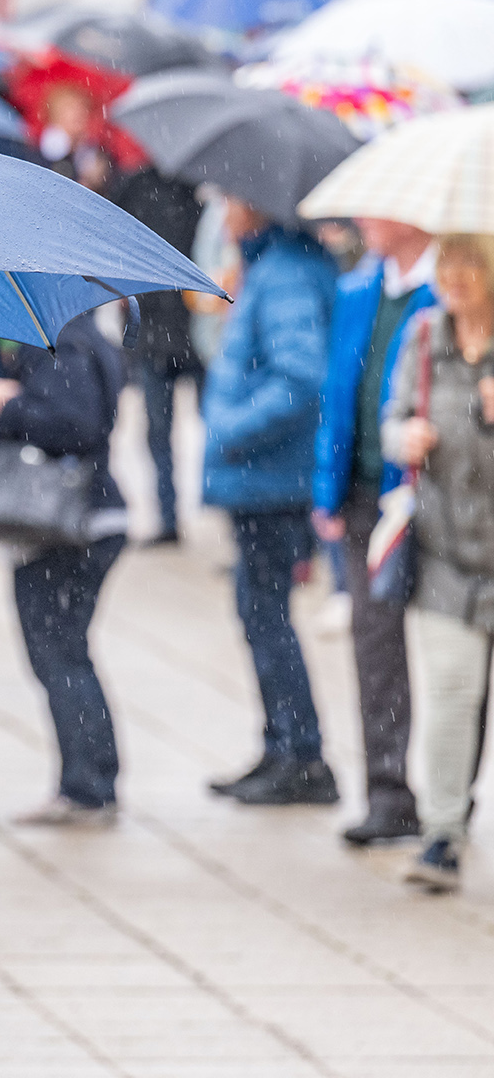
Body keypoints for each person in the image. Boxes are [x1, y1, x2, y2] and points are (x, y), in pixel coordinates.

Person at [202, 197, 339, 807]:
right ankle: (283, 745)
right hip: (265, 478)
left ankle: (301, 755)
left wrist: (229, 430)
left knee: (266, 614)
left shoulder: (285, 272)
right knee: (261, 612)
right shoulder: (273, 265)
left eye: (230, 198)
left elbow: (301, 377)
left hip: (271, 480)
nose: (222, 210)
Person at [0, 317, 129, 826]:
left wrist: (6, 406)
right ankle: (89, 782)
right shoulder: (77, 336)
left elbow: (76, 423)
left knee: (60, 656)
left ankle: (88, 787)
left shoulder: (61, 340)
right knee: (64, 654)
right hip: (78, 524)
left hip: (68, 530)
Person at [314, 217, 436, 846]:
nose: (363, 220)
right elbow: (338, 392)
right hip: (365, 496)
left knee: (454, 656)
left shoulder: (452, 287)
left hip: (434, 497)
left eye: (375, 209)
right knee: (375, 646)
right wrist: (327, 487)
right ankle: (388, 794)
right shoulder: (358, 288)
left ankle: (450, 802)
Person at [383, 234, 494, 892]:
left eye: (470, 262)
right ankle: (442, 835)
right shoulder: (424, 335)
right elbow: (391, 418)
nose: (454, 276)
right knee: (452, 693)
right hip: (445, 553)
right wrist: (405, 436)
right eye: (447, 261)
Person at [107, 168, 204, 545]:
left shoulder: (137, 188)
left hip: (166, 329)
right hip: (182, 327)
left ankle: (170, 516)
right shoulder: (191, 191)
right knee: (179, 427)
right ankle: (176, 514)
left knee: (162, 430)